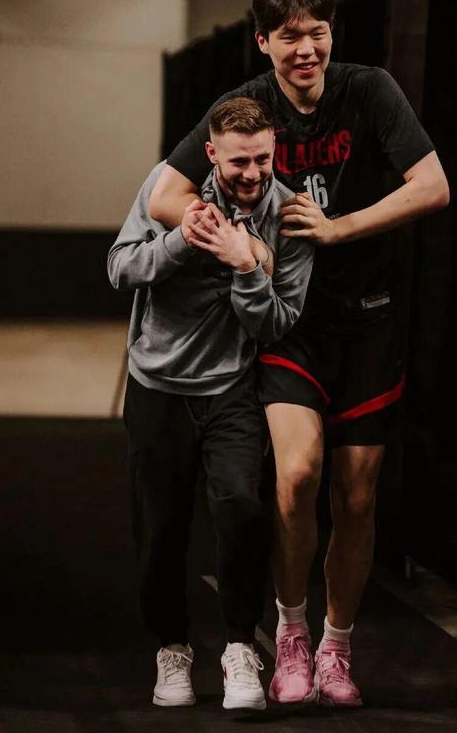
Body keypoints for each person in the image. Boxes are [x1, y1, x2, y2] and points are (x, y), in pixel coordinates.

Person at [148, 0, 449, 707]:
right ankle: (289, 633)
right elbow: (164, 195)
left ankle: (336, 647)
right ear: (264, 42)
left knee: (357, 496)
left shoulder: (369, 91)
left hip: (369, 321)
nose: (307, 48)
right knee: (297, 476)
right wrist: (231, 238)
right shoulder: (248, 108)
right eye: (291, 37)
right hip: (292, 323)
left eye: (318, 32)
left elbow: (433, 186)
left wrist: (340, 227)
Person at [107, 96, 314, 711]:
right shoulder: (168, 189)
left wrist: (245, 266)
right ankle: (171, 648)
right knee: (161, 528)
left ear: (275, 152)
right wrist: (180, 243)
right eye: (238, 162)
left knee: (242, 510)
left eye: (262, 160)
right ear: (211, 155)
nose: (251, 174)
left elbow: (277, 322)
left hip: (230, 387)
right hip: (157, 385)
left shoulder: (288, 214)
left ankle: (240, 646)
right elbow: (119, 268)